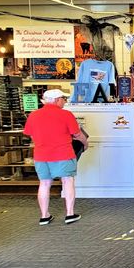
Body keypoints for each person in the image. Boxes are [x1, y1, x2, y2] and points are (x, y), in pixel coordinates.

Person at [23, 89, 88, 225]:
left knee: (44, 183)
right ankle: (70, 213)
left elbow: (31, 135)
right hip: (63, 153)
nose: (65, 101)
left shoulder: (33, 115)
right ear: (57, 100)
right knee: (67, 181)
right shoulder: (66, 114)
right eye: (64, 98)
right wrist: (85, 143)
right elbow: (77, 134)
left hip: (41, 155)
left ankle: (44, 216)